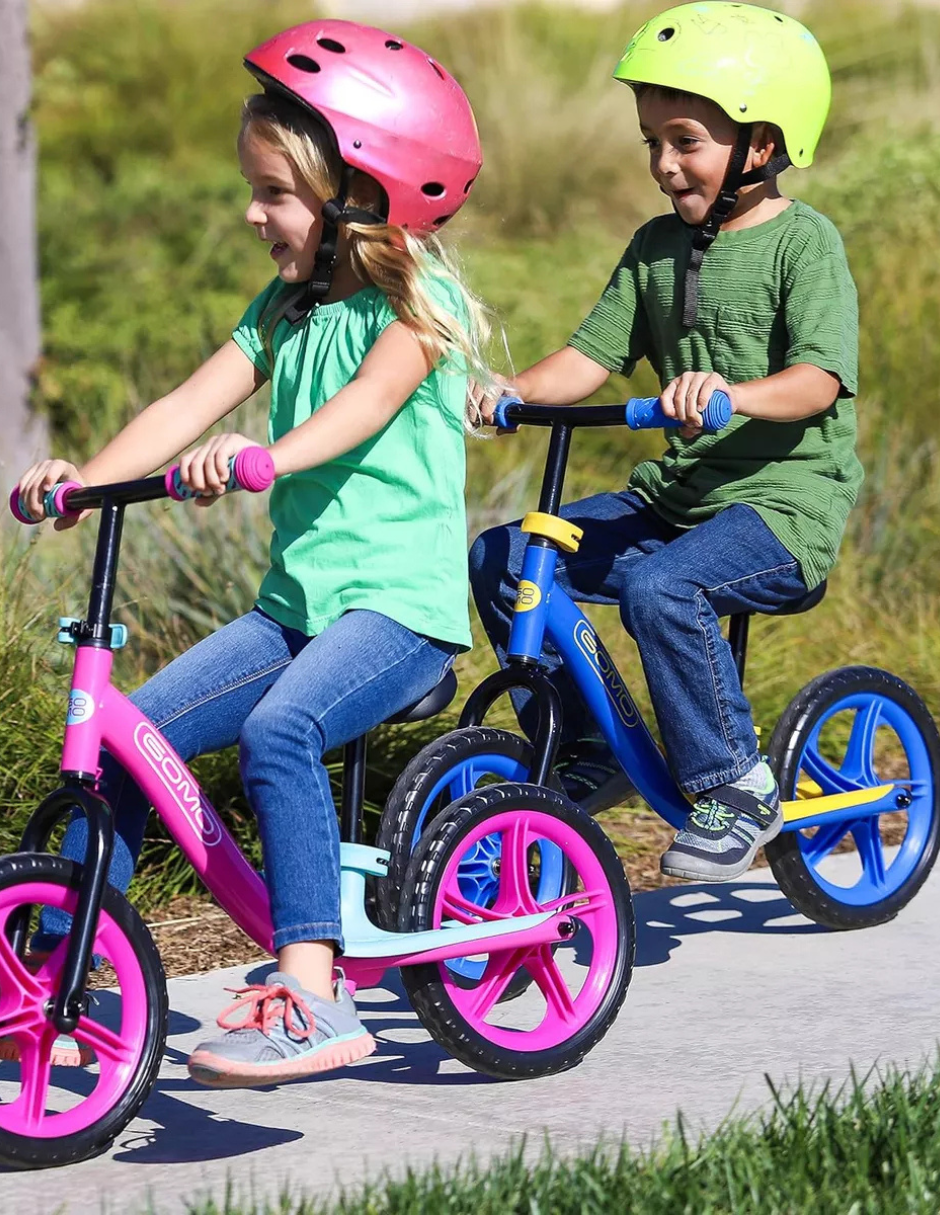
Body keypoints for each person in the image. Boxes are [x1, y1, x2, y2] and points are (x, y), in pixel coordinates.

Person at [12, 19, 485, 1087]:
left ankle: (312, 992)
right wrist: (83, 480)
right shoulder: (284, 306)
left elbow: (363, 411)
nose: (252, 211)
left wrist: (265, 454)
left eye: (274, 191)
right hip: (296, 609)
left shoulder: (420, 306)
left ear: (359, 192)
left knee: (281, 731)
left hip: (395, 612)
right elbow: (188, 399)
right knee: (133, 743)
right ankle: (72, 971)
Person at [471, 2, 862, 881]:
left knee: (661, 586)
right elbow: (588, 357)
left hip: (783, 507)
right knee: (506, 556)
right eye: (650, 140)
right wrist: (514, 389)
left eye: (684, 140)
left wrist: (730, 394)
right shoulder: (655, 247)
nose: (662, 164)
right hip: (677, 499)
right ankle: (584, 744)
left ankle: (737, 782)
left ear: (760, 145)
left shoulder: (806, 244)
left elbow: (819, 381)